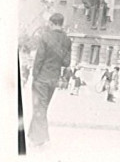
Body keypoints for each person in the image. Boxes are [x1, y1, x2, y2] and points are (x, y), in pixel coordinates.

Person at [27, 13, 72, 147]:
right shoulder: (67, 40)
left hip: (41, 78)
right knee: (42, 108)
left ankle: (39, 139)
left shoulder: (45, 37)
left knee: (39, 108)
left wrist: (34, 76)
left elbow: (39, 58)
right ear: (62, 24)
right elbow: (66, 62)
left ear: (51, 23)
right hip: (54, 79)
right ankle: (32, 136)